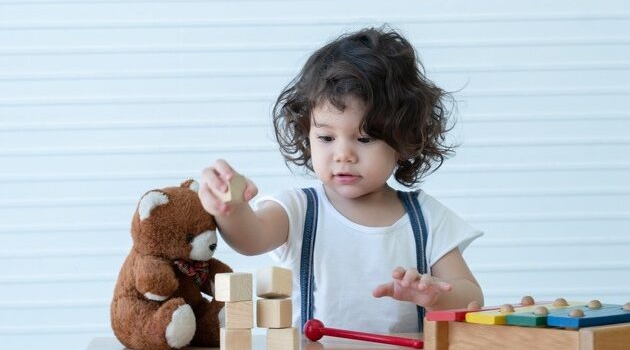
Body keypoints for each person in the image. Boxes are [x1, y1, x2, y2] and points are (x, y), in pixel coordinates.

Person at [198, 26, 483, 334]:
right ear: (307, 134)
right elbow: (249, 238)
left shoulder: (427, 218)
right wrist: (231, 206)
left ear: (403, 141)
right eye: (326, 137)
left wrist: (436, 295)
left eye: (364, 138)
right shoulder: (299, 209)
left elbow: (471, 294)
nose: (343, 154)